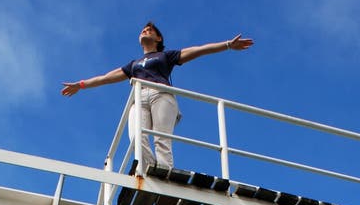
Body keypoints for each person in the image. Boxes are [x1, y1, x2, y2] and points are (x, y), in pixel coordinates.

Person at [62, 22, 254, 173]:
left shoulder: (165, 56)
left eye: (149, 30)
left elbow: (198, 49)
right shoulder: (134, 64)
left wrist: (228, 45)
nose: (145, 31)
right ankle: (152, 169)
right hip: (139, 98)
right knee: (136, 137)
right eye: (143, 30)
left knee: (161, 140)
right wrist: (81, 85)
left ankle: (164, 172)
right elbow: (106, 78)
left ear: (158, 38)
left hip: (161, 95)